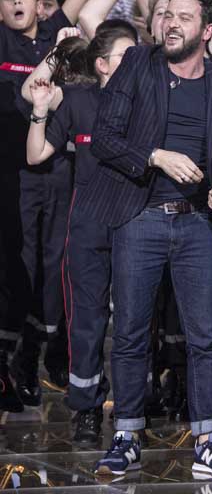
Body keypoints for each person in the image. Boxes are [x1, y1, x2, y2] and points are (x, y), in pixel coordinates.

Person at [74, 0, 212, 477]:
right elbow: (105, 139)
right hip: (139, 218)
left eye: (184, 17)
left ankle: (208, 439)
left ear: (208, 30)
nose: (171, 23)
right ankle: (127, 434)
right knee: (130, 333)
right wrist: (155, 156)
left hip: (198, 224)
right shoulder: (137, 64)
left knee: (204, 338)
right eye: (166, 14)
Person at [0, 0, 97, 411]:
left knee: (54, 264)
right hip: (9, 172)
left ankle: (36, 356)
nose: (18, 3)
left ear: (41, 6)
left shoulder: (54, 29)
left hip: (56, 169)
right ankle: (9, 360)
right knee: (15, 267)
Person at [25, 23, 137, 443]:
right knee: (86, 322)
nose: (136, 63)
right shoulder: (77, 100)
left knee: (133, 320)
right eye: (127, 56)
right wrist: (39, 108)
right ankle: (86, 408)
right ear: (102, 64)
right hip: (87, 223)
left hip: (133, 221)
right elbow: (36, 154)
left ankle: (131, 410)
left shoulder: (147, 100)